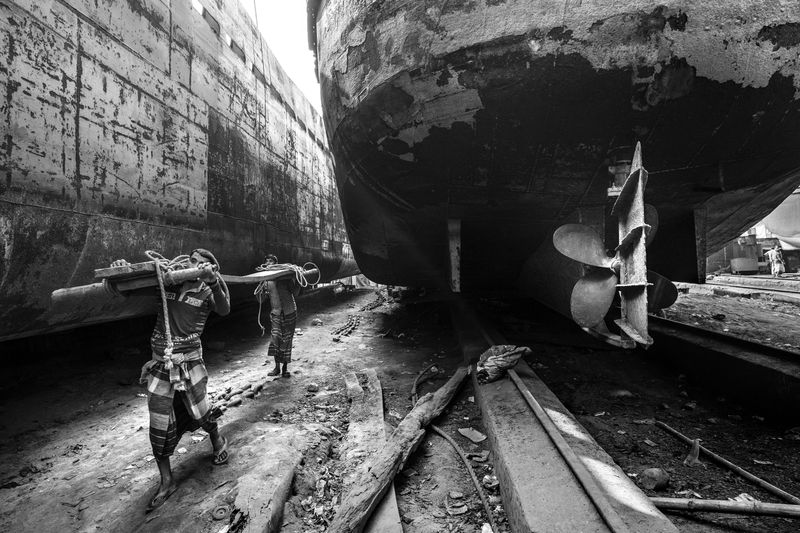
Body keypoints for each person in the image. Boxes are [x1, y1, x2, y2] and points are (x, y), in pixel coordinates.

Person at [113, 249, 231, 512]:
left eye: (201, 264)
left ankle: (217, 441)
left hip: (189, 362)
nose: (194, 266)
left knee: (202, 411)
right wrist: (123, 270)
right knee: (159, 424)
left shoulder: (208, 291)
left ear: (210, 269)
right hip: (160, 364)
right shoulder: (166, 282)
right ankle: (167, 480)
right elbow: (127, 290)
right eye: (192, 261)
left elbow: (224, 309)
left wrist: (212, 280)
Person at [262, 254, 300, 377]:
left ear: (276, 263)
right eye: (267, 261)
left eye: (271, 261)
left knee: (287, 340)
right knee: (275, 339)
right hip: (276, 313)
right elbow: (260, 300)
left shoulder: (284, 277)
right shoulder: (265, 280)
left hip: (289, 311)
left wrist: (297, 281)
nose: (268, 263)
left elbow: (295, 293)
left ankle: (285, 369)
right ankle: (276, 368)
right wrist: (262, 291)